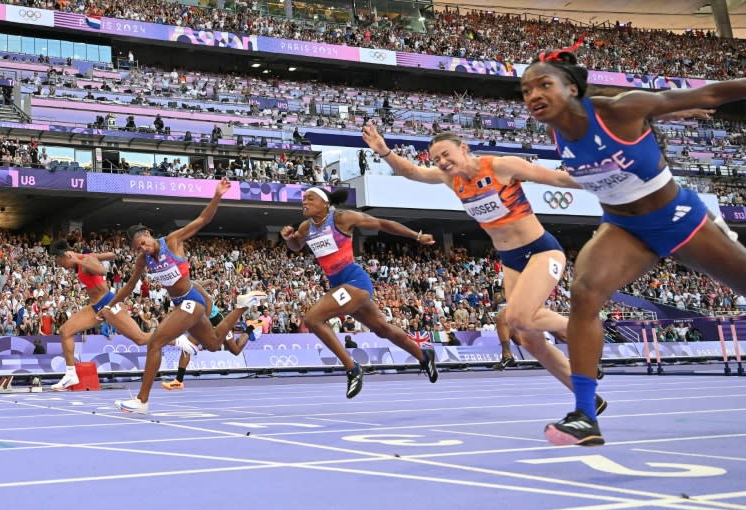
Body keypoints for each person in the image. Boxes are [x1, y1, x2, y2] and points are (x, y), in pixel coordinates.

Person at [520, 45, 746, 446]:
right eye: (525, 90)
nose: (533, 95)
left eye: (543, 85)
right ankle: (585, 415)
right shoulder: (557, 134)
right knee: (584, 292)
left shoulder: (618, 110)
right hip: (624, 227)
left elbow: (709, 95)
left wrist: (670, 111)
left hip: (679, 219)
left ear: (571, 88)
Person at [362, 126, 608, 414]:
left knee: (517, 316)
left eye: (445, 154)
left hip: (541, 250)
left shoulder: (502, 166)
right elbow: (412, 172)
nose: (441, 162)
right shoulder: (450, 179)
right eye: (436, 158)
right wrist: (385, 151)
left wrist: (604, 183)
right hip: (511, 259)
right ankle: (586, 395)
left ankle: (583, 331)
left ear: (463, 148)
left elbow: (556, 177)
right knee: (527, 336)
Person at [112, 178, 267, 413]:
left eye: (143, 243)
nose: (143, 248)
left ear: (148, 233)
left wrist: (217, 195)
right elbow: (129, 285)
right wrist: (110, 305)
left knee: (155, 343)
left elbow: (203, 219)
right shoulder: (144, 260)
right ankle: (241, 307)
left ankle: (142, 401)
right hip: (181, 304)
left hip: (192, 301)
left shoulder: (172, 241)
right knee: (215, 344)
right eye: (138, 248)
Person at [281, 187, 439, 398]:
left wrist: (417, 236)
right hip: (338, 285)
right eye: (303, 199)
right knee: (382, 329)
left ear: (325, 203)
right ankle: (423, 355)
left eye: (310, 198)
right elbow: (296, 245)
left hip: (355, 281)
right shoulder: (306, 227)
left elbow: (383, 224)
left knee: (312, 319)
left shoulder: (342, 218)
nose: (305, 202)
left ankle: (352, 368)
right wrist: (289, 238)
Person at [48, 240, 198, 390]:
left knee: (140, 338)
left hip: (109, 304)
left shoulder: (85, 260)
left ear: (66, 256)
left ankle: (177, 340)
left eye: (60, 262)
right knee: (65, 331)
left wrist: (78, 259)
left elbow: (101, 271)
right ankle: (70, 374)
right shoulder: (85, 257)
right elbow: (111, 255)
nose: (61, 266)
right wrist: (84, 256)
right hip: (95, 307)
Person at [162, 280, 262, 391]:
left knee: (236, 350)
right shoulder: (178, 291)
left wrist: (205, 325)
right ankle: (178, 381)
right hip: (201, 320)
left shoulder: (188, 285)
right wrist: (209, 281)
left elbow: (208, 302)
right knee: (187, 348)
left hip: (217, 320)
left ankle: (250, 328)